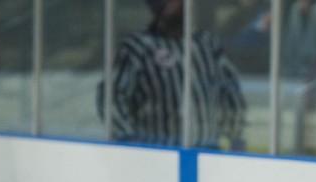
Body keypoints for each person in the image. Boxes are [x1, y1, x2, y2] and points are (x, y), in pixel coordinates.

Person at [104, 0, 246, 149]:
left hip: (207, 151)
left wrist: (235, 135)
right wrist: (127, 138)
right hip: (156, 152)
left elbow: (230, 92)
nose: (169, 5)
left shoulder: (207, 44)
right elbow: (112, 96)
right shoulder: (137, 47)